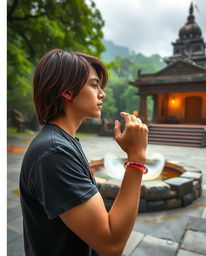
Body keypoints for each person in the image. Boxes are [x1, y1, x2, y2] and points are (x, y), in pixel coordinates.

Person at [19, 49, 148, 256]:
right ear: (67, 92)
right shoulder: (54, 153)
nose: (102, 94)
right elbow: (111, 244)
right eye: (94, 84)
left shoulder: (62, 142)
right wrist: (136, 158)